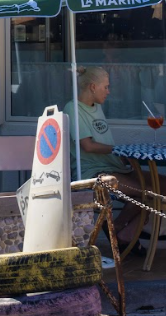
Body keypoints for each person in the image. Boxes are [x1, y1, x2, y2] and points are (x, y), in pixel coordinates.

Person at [63, 66, 152, 237]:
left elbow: (103, 141)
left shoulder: (96, 107)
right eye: (106, 87)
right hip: (94, 171)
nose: (108, 91)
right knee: (148, 192)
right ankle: (121, 232)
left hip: (114, 166)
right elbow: (87, 146)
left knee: (163, 184)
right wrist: (119, 150)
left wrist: (122, 156)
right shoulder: (72, 108)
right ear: (93, 87)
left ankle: (121, 231)